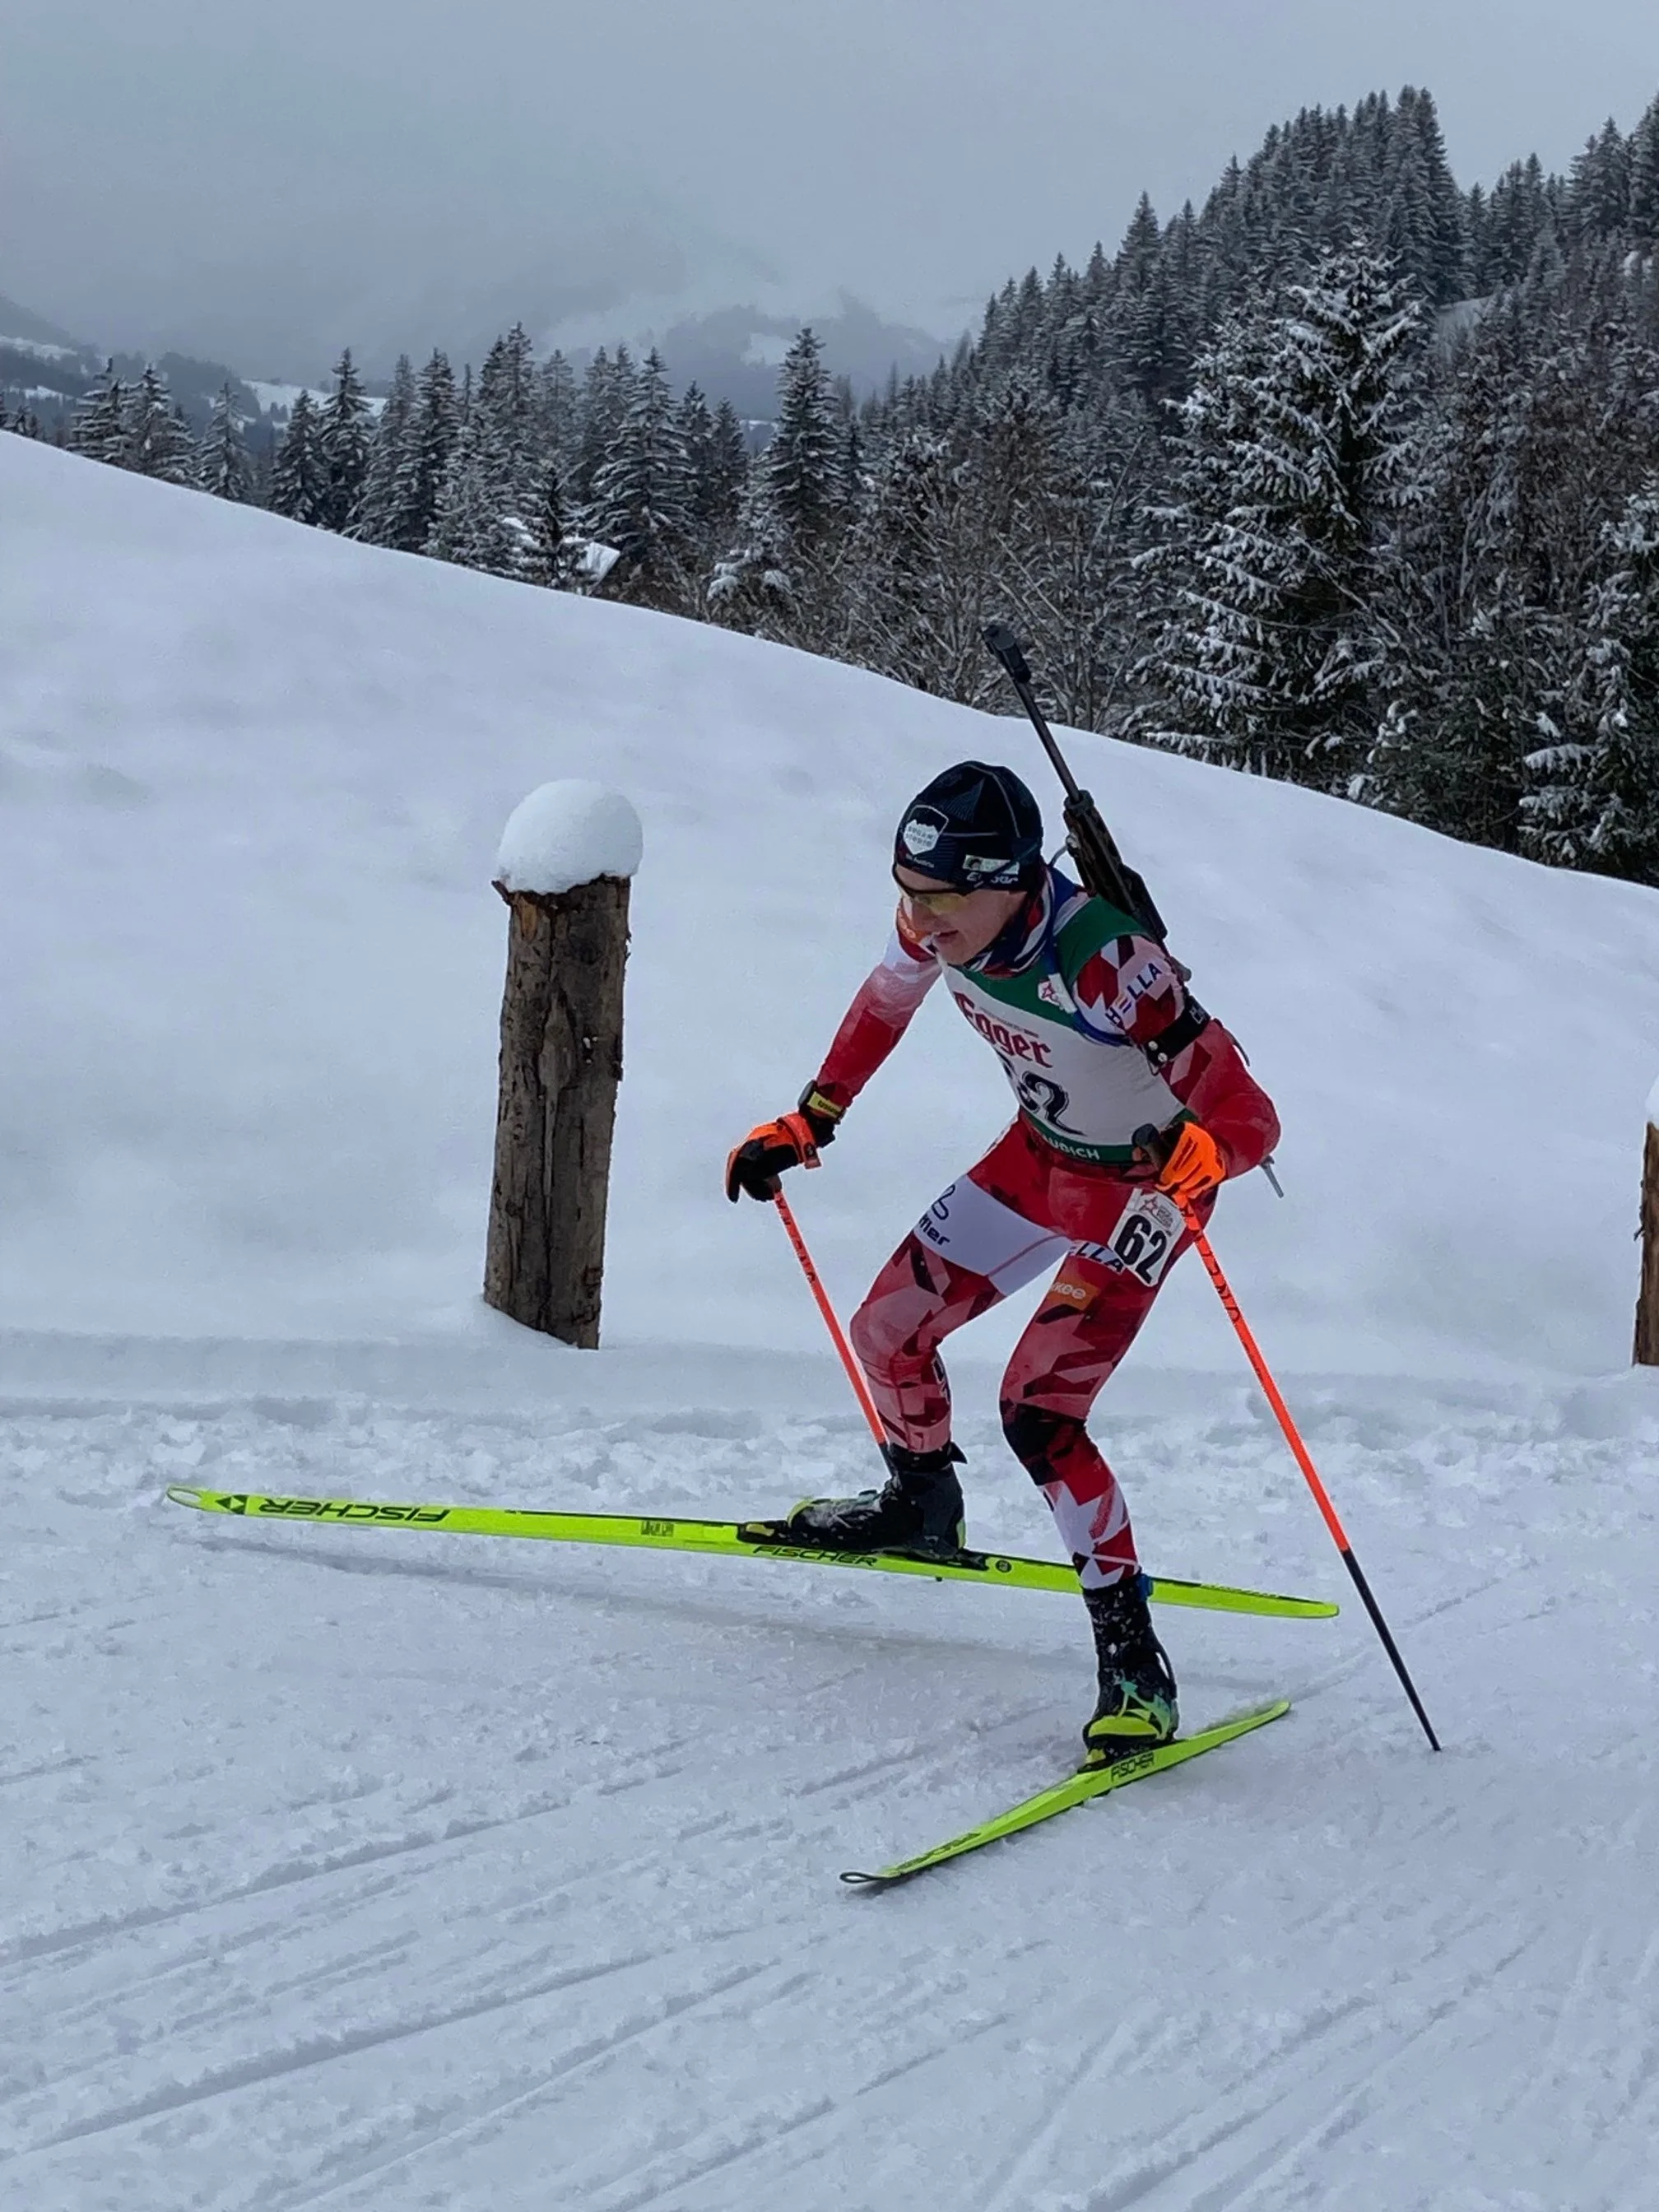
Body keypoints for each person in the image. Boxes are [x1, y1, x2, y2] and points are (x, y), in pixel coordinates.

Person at [726, 761, 1280, 1763]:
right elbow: (885, 1002)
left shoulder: (1108, 964)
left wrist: (1212, 1153)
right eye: (907, 893)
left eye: (941, 899)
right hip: (1038, 1161)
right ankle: (921, 1503)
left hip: (1142, 1191)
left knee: (1039, 1411)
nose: (919, 921)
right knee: (886, 1332)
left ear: (1012, 882)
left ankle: (1134, 1660)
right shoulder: (936, 926)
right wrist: (813, 1117)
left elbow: (1250, 1110)